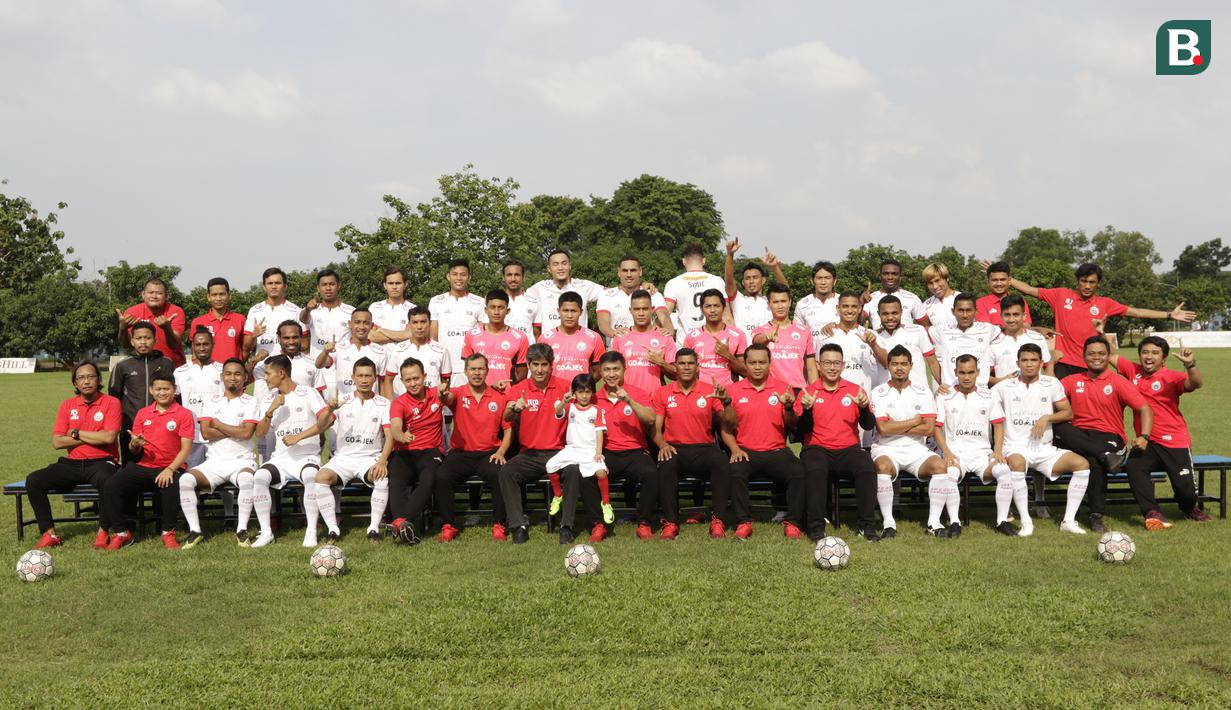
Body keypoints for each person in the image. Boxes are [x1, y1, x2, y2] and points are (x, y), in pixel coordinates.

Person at [993, 261, 1195, 378]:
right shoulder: (1061, 296)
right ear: (1077, 281)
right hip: (1062, 363)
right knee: (1059, 407)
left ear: (1097, 284)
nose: (1087, 286)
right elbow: (1029, 289)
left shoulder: (1105, 303)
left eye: (1092, 282)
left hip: (1092, 363)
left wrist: (1169, 314)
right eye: (1083, 281)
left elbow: (1136, 312)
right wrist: (1004, 278)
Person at [990, 343, 1091, 535]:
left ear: (1041, 362)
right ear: (1017, 362)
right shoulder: (1004, 386)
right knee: (1018, 464)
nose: (1029, 364)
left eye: (1033, 360)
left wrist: (1047, 417)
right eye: (1025, 360)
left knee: (1081, 464)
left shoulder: (1051, 383)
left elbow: (1068, 413)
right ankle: (1026, 521)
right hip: (1015, 447)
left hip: (1044, 448)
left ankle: (1068, 521)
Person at [1056, 335, 1153, 533]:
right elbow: (1047, 391)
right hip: (1080, 437)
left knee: (1093, 460)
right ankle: (1105, 456)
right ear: (1084, 357)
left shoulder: (1118, 382)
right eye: (1091, 354)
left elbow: (1145, 409)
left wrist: (1144, 436)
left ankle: (1096, 515)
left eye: (1101, 353)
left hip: (1109, 436)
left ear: (1109, 356)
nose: (1096, 357)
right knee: (1059, 427)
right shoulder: (1073, 380)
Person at [1113, 336, 1210, 528]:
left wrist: (1190, 364)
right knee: (1134, 468)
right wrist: (1100, 331)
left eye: (1155, 353)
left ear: (1163, 358)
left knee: (1186, 492)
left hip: (1174, 441)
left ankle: (1189, 507)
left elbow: (1196, 383)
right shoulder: (1133, 371)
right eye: (1145, 352)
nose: (1149, 357)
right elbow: (1109, 356)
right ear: (1140, 355)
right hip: (1146, 441)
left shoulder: (1172, 377)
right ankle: (1152, 512)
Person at [27, 362, 122, 550]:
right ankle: (49, 533)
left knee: (108, 481)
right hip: (72, 463)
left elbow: (109, 437)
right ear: (75, 384)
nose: (86, 381)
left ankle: (103, 531)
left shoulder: (111, 402)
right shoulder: (67, 405)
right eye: (81, 378)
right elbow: (57, 442)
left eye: (91, 376)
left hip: (102, 462)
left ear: (99, 379)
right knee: (34, 480)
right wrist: (94, 436)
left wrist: (76, 433)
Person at [795, 344, 880, 541]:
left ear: (843, 365)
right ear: (818, 365)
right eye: (827, 363)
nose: (832, 368)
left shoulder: (854, 390)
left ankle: (867, 527)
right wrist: (807, 410)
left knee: (866, 466)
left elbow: (868, 426)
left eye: (836, 363)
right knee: (815, 468)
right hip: (817, 448)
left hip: (848, 449)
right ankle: (815, 528)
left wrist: (865, 408)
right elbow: (802, 432)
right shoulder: (808, 393)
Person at [720, 344, 805, 540]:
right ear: (745, 364)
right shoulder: (732, 390)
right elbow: (725, 429)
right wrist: (734, 449)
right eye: (752, 363)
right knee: (735, 471)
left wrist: (789, 408)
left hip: (776, 451)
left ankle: (793, 522)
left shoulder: (783, 388)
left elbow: (792, 425)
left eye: (762, 362)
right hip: (745, 451)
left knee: (798, 471)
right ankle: (743, 522)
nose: (757, 367)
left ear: (769, 364)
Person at [103, 372, 194, 549]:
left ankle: (168, 532)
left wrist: (170, 469)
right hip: (144, 466)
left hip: (171, 466)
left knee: (173, 484)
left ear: (174, 390)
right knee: (111, 485)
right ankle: (122, 532)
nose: (162, 392)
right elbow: (133, 448)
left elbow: (186, 449)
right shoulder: (143, 413)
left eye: (166, 388)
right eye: (158, 389)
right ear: (151, 390)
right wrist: (134, 445)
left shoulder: (184, 414)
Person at [870, 346, 952, 538]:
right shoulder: (878, 392)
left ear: (911, 366)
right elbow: (883, 429)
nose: (899, 368)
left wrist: (895, 425)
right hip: (887, 448)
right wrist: (915, 421)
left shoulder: (923, 392)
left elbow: (929, 428)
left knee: (940, 466)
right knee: (882, 466)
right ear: (888, 366)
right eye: (895, 364)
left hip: (917, 449)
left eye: (904, 364)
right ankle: (889, 523)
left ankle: (934, 522)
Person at [499, 344, 578, 544]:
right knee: (507, 472)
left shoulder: (566, 387)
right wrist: (515, 408)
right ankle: (519, 526)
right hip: (530, 455)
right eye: (535, 364)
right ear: (528, 365)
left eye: (544, 364)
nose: (540, 369)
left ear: (552, 366)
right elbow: (507, 415)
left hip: (561, 453)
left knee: (574, 471)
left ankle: (566, 526)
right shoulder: (519, 389)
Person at [309, 357, 393, 544]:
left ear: (374, 378)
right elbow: (321, 426)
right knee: (321, 478)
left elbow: (390, 436)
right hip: (343, 459)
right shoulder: (342, 401)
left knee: (381, 478)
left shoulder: (384, 404)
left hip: (369, 459)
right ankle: (333, 528)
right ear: (353, 377)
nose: (364, 380)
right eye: (360, 375)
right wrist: (329, 410)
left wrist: (382, 461)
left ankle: (373, 528)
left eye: (368, 376)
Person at [177, 358, 260, 548]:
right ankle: (195, 531)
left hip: (242, 461)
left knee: (248, 480)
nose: (233, 378)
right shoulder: (210, 400)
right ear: (222, 377)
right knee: (185, 480)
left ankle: (241, 530)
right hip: (213, 462)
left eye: (238, 374)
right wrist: (234, 430)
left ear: (245, 377)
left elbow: (247, 434)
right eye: (228, 374)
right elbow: (206, 433)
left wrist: (218, 424)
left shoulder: (251, 401)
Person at [253, 354, 333, 547]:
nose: (265, 378)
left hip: (307, 457)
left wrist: (299, 437)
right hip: (281, 460)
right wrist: (270, 411)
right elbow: (260, 433)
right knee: (259, 477)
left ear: (281, 373)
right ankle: (266, 533)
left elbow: (327, 420)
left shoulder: (308, 393)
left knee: (310, 477)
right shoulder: (269, 399)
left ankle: (311, 531)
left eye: (268, 373)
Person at [652, 349, 732, 540]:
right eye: (681, 363)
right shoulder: (662, 392)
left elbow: (729, 423)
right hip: (675, 448)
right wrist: (662, 444)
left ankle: (718, 520)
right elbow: (655, 428)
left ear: (697, 366)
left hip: (704, 448)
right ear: (675, 366)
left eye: (690, 363)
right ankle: (671, 522)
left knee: (721, 461)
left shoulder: (708, 391)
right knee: (666, 464)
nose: (686, 367)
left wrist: (726, 402)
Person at [934, 354, 1017, 535]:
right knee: (950, 474)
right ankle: (955, 522)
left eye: (971, 372)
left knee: (1004, 472)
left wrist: (997, 451)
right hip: (956, 453)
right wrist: (946, 452)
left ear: (978, 372)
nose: (966, 377)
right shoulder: (945, 396)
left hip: (982, 455)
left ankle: (1001, 521)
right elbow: (936, 428)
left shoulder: (988, 395)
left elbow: (998, 424)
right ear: (955, 372)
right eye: (962, 372)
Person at [434, 354, 513, 541]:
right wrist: (442, 393)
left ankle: (499, 524)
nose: (477, 373)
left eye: (480, 369)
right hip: (461, 454)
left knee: (500, 474)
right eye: (473, 369)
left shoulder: (499, 397)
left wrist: (501, 451)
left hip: (489, 453)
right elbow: (447, 399)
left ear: (487, 371)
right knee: (442, 476)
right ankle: (448, 525)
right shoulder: (459, 393)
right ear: (466, 371)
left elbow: (508, 430)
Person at [594, 351, 661, 540]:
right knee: (587, 474)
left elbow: (650, 419)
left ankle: (644, 523)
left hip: (635, 451)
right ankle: (598, 524)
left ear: (625, 370)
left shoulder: (638, 393)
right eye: (607, 370)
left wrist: (629, 401)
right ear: (601, 372)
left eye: (616, 369)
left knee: (650, 473)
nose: (612, 374)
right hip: (607, 453)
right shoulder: (593, 398)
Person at [386, 357, 447, 544]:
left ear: (425, 377)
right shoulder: (399, 403)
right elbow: (395, 426)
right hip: (404, 451)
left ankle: (400, 522)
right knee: (396, 481)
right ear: (402, 381)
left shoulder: (437, 394)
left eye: (416, 378)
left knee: (428, 480)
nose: (413, 383)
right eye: (408, 380)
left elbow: (458, 392)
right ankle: (404, 524)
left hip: (431, 450)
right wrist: (402, 436)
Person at [547, 374, 614, 543]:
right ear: (574, 392)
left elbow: (599, 432)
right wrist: (564, 400)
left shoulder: (597, 410)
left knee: (601, 473)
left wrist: (598, 452)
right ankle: (557, 495)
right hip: (572, 449)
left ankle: (606, 503)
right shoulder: (570, 407)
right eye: (580, 392)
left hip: (590, 451)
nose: (584, 395)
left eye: (588, 392)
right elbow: (557, 411)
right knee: (550, 465)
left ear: (592, 392)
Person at [109, 321, 175, 464]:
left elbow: (175, 395)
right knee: (131, 469)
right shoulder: (122, 365)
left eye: (147, 338)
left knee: (160, 467)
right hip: (131, 427)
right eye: (139, 338)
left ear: (155, 340)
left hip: (161, 427)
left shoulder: (166, 363)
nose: (143, 342)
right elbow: (114, 397)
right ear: (132, 341)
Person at [429, 258, 486, 387]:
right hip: (444, 366)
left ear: (469, 277)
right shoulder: (436, 301)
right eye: (455, 274)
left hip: (469, 367)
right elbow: (433, 337)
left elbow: (483, 336)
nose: (459, 278)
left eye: (463, 275)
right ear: (448, 276)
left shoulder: (480, 302)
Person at [300, 268, 354, 400]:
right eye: (324, 285)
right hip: (317, 368)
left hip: (342, 369)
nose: (328, 288)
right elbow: (303, 319)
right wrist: (307, 308)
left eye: (332, 284)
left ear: (338, 285)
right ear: (318, 288)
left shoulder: (350, 311)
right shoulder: (312, 311)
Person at [174, 327, 225, 468]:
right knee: (191, 477)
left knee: (217, 478)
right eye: (198, 344)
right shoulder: (180, 372)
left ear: (213, 345)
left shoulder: (223, 370)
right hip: (191, 436)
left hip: (216, 436)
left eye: (206, 344)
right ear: (192, 346)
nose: (202, 348)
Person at [525, 249, 604, 339]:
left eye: (564, 263)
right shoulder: (540, 288)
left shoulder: (584, 286)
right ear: (549, 269)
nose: (560, 268)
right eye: (555, 264)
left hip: (579, 345)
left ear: (570, 266)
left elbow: (610, 293)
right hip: (550, 347)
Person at [929, 293, 1002, 390]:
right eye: (960, 310)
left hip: (980, 391)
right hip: (950, 392)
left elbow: (1009, 330)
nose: (965, 315)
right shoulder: (941, 330)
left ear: (976, 312)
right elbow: (920, 334)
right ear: (953, 311)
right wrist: (941, 382)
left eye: (969, 310)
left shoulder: (988, 329)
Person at [750, 283, 816, 391]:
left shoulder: (804, 331)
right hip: (771, 390)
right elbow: (756, 341)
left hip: (798, 390)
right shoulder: (760, 330)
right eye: (775, 302)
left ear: (790, 302)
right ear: (768, 304)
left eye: (783, 301)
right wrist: (767, 337)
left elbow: (811, 368)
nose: (780, 306)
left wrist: (814, 392)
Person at [611, 290, 678, 393]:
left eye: (645, 309)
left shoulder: (664, 337)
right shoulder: (620, 337)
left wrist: (661, 363)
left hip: (655, 401)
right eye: (637, 309)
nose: (641, 313)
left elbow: (676, 374)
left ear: (652, 310)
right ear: (630, 310)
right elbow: (613, 373)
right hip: (628, 400)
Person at [461, 290, 529, 389]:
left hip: (507, 395)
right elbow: (469, 369)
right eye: (493, 307)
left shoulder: (520, 337)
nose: (496, 312)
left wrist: (514, 392)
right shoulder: (471, 335)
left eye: (501, 308)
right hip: (480, 394)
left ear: (507, 311)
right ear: (486, 310)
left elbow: (522, 372)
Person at [317, 307, 388, 400]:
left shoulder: (380, 352)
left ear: (372, 325)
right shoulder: (339, 348)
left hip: (371, 407)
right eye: (357, 322)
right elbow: (319, 364)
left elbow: (382, 383)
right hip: (344, 405)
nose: (362, 327)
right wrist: (325, 352)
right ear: (350, 324)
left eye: (366, 323)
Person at [596, 254, 672, 340]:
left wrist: (668, 332)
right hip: (616, 349)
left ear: (640, 271)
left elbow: (665, 317)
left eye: (633, 270)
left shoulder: (653, 294)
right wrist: (614, 333)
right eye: (625, 270)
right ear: (619, 272)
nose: (629, 275)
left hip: (647, 349)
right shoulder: (605, 295)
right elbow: (603, 323)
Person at [681, 288, 748, 386]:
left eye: (716, 306)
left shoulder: (738, 335)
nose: (712, 310)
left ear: (723, 307)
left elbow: (745, 372)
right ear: (701, 309)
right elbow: (685, 371)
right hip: (701, 396)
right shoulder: (691, 338)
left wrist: (728, 356)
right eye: (708, 306)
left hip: (729, 394)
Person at [723, 238, 788, 339]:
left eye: (755, 277)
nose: (751, 281)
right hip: (746, 352)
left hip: (770, 351)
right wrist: (730, 255)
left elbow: (784, 290)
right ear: (743, 283)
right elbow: (729, 279)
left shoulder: (770, 301)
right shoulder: (738, 300)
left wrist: (775, 266)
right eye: (748, 278)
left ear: (763, 280)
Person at [871, 295, 938, 390]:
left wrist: (943, 385)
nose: (890, 317)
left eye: (894, 313)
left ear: (901, 312)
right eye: (885, 313)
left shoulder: (918, 331)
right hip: (888, 398)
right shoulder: (873, 337)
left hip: (919, 395)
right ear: (879, 314)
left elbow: (933, 363)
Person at [816, 292, 881, 391]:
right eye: (845, 306)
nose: (850, 311)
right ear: (838, 308)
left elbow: (886, 363)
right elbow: (817, 368)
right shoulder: (824, 335)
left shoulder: (871, 336)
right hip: (833, 398)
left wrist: (873, 345)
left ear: (860, 309)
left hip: (862, 398)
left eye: (854, 306)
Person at [663, 243, 727, 343]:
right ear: (704, 260)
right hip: (713, 341)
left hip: (685, 344)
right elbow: (726, 315)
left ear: (684, 261)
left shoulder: (673, 283)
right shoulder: (717, 281)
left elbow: (665, 314)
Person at [243, 266, 304, 370]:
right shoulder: (254, 311)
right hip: (262, 368)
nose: (274, 286)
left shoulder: (295, 311)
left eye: (278, 283)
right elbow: (246, 347)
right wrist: (254, 335)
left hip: (289, 368)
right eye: (270, 283)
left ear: (285, 286)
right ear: (264, 286)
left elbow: (304, 344)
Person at [383, 306, 452, 398]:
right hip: (406, 407)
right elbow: (388, 379)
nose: (419, 327)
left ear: (430, 323)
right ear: (409, 325)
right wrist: (391, 404)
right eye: (415, 322)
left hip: (432, 406)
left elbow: (446, 381)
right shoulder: (398, 349)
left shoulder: (441, 350)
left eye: (423, 322)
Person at [117, 277, 186, 367]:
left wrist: (167, 329)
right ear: (143, 294)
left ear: (166, 296)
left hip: (172, 366)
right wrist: (122, 329)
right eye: (150, 292)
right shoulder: (132, 312)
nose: (154, 296)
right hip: (141, 367)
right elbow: (126, 345)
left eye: (159, 293)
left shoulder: (176, 311)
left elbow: (174, 344)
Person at [537, 292, 604, 380]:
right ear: (558, 311)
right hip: (553, 392)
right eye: (565, 311)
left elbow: (598, 370)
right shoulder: (545, 339)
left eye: (573, 311)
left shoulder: (594, 338)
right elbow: (539, 369)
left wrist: (584, 386)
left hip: (581, 392)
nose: (569, 315)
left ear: (581, 312)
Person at [989, 294, 1052, 384]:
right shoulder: (993, 343)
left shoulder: (1038, 339)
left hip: (1034, 395)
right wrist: (1003, 381)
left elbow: (1047, 367)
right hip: (1006, 395)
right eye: (1007, 315)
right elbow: (984, 376)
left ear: (1024, 316)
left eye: (1016, 315)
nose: (1011, 319)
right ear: (1001, 316)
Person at [188, 277, 246, 362]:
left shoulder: (241, 319)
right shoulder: (197, 322)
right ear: (208, 297)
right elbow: (195, 352)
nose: (218, 298)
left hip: (231, 372)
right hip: (208, 373)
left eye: (222, 294)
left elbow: (245, 349)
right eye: (214, 295)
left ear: (229, 295)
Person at [865, 259, 926, 330]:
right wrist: (862, 302)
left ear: (900, 277)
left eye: (894, 274)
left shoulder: (912, 298)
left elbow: (926, 327)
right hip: (879, 341)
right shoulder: (870, 298)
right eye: (886, 274)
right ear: (880, 276)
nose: (890, 277)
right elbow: (857, 321)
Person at [793, 261, 841, 343]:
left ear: (834, 281)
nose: (823, 282)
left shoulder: (843, 302)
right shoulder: (802, 304)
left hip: (839, 352)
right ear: (812, 281)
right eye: (819, 278)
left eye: (827, 278)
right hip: (812, 354)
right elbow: (797, 333)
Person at [976, 261, 1031, 328]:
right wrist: (1014, 327)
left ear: (1009, 280)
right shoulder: (981, 303)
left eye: (1002, 280)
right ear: (988, 282)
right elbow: (987, 329)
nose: (999, 283)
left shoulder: (1019, 301)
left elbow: (1027, 326)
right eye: (995, 280)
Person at [368, 266, 416, 337]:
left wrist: (381, 330)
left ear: (405, 284)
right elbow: (369, 336)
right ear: (385, 285)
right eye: (390, 283)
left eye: (398, 283)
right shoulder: (374, 307)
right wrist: (402, 335)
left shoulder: (414, 309)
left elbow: (412, 335)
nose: (394, 287)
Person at [501, 260, 536, 341]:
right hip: (502, 351)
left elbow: (537, 333)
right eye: (509, 275)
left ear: (523, 277)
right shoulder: (494, 302)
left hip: (527, 352)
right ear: (503, 277)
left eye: (517, 275)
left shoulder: (534, 302)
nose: (513, 279)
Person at [920, 262, 958, 329]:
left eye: (937, 280)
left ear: (947, 278)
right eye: (930, 283)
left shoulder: (963, 299)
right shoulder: (925, 306)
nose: (935, 286)